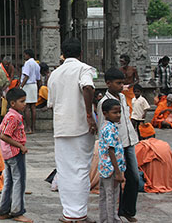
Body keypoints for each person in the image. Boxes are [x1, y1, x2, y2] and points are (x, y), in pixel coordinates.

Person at [47, 38, 97, 223]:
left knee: (65, 170)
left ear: (63, 54)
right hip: (81, 126)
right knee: (81, 169)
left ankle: (69, 213)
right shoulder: (84, 69)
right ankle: (78, 213)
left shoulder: (55, 74)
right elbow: (88, 87)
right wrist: (89, 114)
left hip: (61, 127)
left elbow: (51, 103)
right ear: (80, 53)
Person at [97, 67, 140, 223]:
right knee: (115, 183)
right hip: (116, 146)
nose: (121, 86)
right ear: (108, 83)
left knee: (134, 177)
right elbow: (103, 128)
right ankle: (112, 216)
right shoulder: (104, 103)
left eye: (122, 83)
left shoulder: (122, 98)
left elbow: (126, 119)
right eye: (118, 83)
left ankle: (127, 210)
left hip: (129, 142)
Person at [0, 88, 31, 222]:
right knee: (19, 182)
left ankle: (4, 210)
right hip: (15, 154)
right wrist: (20, 145)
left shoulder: (8, 115)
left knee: (9, 182)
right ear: (12, 103)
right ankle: (17, 211)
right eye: (22, 101)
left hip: (7, 153)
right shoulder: (14, 117)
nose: (24, 104)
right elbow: (5, 135)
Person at [98, 99, 127, 223]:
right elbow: (111, 151)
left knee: (105, 196)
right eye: (115, 112)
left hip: (105, 168)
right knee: (111, 197)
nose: (118, 115)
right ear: (105, 113)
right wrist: (118, 172)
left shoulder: (107, 126)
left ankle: (105, 219)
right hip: (111, 168)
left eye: (119, 112)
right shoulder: (109, 129)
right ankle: (111, 219)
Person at [20, 49, 41, 134]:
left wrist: (21, 86)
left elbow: (26, 76)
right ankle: (33, 127)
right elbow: (38, 78)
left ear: (28, 55)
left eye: (25, 55)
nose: (24, 56)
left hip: (28, 85)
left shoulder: (28, 63)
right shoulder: (36, 64)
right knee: (33, 107)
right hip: (34, 85)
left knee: (27, 107)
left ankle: (28, 127)